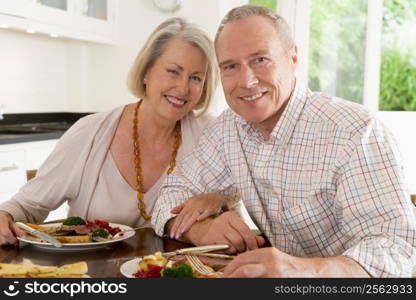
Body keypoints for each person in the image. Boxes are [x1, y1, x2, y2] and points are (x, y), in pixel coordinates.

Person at [152, 5, 416, 277]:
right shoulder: (228, 128)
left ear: (293, 58)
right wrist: (202, 229)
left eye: (260, 60)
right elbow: (169, 197)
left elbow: (397, 251)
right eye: (231, 66)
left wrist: (302, 271)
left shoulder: (355, 131)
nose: (247, 80)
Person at [0, 17, 222, 246]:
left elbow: (229, 204)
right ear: (146, 72)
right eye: (173, 71)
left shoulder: (210, 135)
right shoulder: (90, 133)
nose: (183, 87)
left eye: (196, 78)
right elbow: (26, 207)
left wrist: (219, 199)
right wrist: (4, 216)